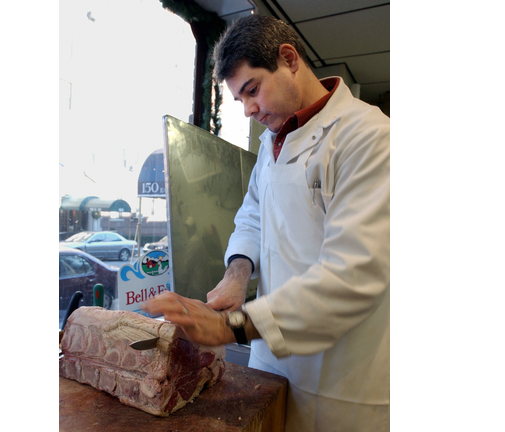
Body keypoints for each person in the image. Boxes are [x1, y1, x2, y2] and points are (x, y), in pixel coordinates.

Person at [142, 15, 390, 431]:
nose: (249, 110)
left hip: (342, 380)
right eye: (239, 100)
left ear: (289, 59)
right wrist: (238, 274)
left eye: (252, 91)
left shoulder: (369, 137)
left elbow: (353, 275)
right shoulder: (273, 140)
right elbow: (253, 215)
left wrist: (228, 327)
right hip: (269, 361)